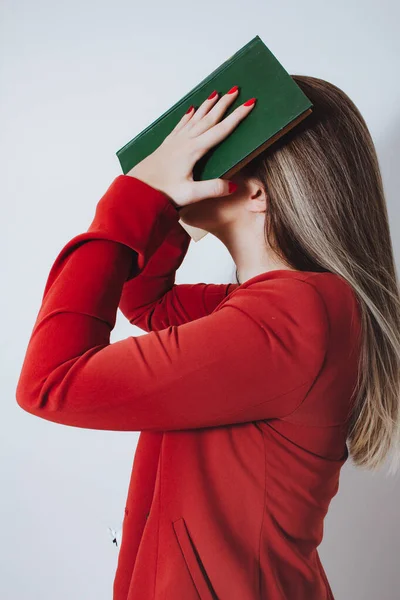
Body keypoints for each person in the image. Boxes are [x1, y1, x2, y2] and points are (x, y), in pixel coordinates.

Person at [16, 77, 400, 600]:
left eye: (210, 148)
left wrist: (133, 199)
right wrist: (159, 210)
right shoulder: (270, 308)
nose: (185, 160)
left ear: (257, 191)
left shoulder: (290, 315)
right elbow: (148, 305)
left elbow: (49, 382)